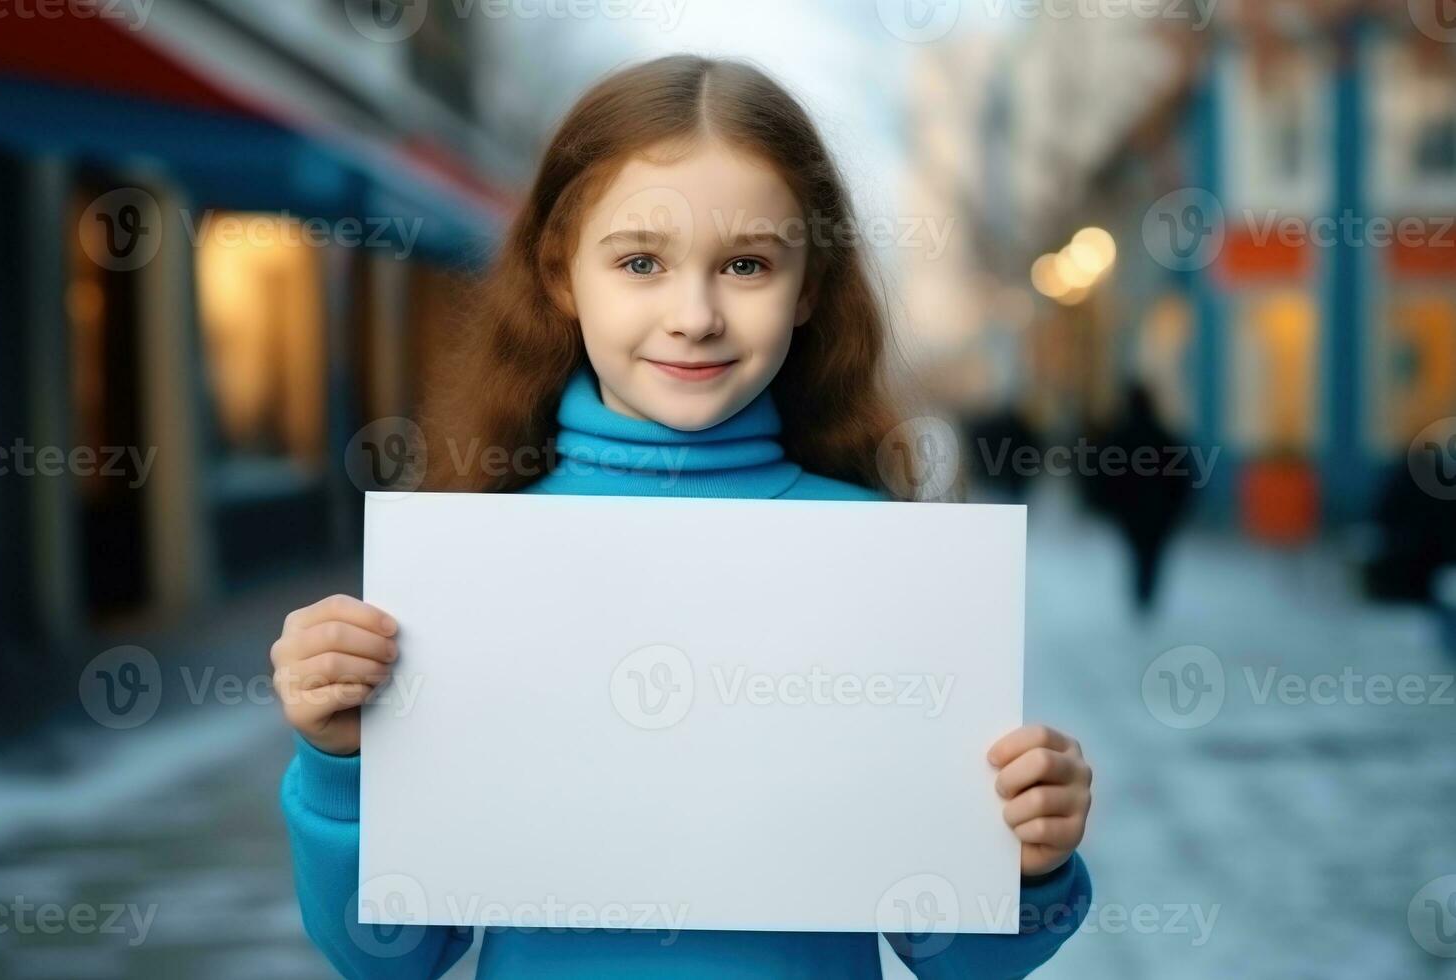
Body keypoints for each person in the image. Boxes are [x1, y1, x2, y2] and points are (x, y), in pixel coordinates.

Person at [272, 55, 1092, 979]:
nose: (694, 314)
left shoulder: (886, 567)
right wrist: (340, 763)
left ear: (809, 287)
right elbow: (390, 956)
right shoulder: (469, 567)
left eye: (746, 264)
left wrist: (1027, 862)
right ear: (560, 276)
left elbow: (952, 958)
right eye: (640, 262)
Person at [1082, 383, 1192, 613]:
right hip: (1159, 511)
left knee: (1137, 552)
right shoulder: (1163, 437)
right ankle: (1146, 593)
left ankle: (1141, 594)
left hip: (1129, 511)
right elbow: (1183, 476)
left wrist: (1101, 502)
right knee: (1151, 554)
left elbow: (1101, 474)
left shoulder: (1119, 437)